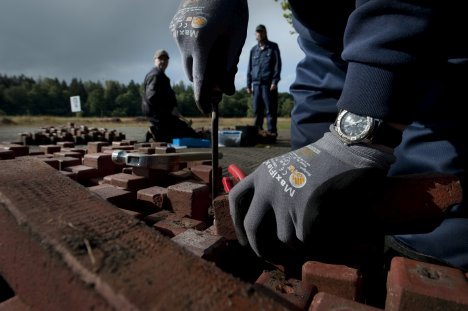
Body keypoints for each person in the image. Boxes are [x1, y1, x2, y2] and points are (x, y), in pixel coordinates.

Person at [170, 0, 468, 273]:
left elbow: (400, 16)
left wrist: (357, 133)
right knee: (307, 205)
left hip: (434, 51)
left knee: (433, 224)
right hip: (329, 41)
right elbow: (324, 46)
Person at [141, 49, 200, 143]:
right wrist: (170, 109)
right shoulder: (156, 75)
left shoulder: (158, 75)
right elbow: (152, 97)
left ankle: (157, 131)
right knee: (186, 133)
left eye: (165, 59)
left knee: (178, 132)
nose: (163, 61)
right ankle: (156, 132)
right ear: (155, 60)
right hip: (161, 116)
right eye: (160, 59)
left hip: (162, 115)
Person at [246, 24, 282, 137]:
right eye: (258, 32)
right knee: (257, 110)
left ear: (265, 33)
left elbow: (277, 65)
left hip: (268, 84)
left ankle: (272, 132)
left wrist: (275, 81)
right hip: (256, 84)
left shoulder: (273, 47)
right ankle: (258, 132)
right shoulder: (253, 50)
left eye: (261, 32)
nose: (259, 34)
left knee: (270, 110)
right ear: (255, 34)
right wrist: (248, 84)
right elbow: (249, 68)